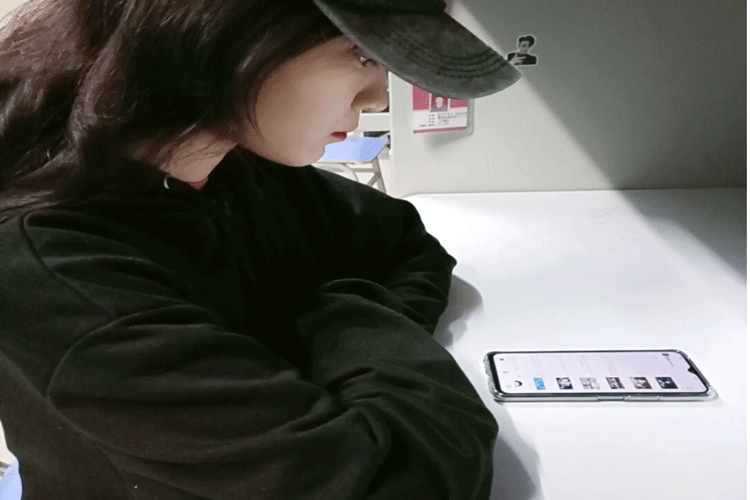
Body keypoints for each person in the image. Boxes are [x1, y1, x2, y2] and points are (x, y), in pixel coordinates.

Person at [0, 0, 521, 498]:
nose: (379, 98)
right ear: (225, 29)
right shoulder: (61, 274)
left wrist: (335, 317)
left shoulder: (225, 166)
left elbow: (404, 245)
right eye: (363, 55)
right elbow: (404, 482)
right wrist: (341, 327)